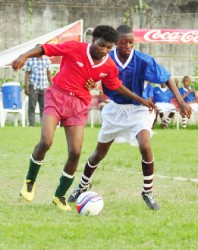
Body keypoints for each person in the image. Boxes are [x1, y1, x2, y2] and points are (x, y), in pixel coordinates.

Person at [12, 25, 155, 212]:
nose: (103, 51)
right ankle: (30, 181)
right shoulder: (75, 48)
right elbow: (44, 48)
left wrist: (140, 99)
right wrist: (23, 56)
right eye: (101, 45)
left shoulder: (108, 66)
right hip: (57, 96)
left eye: (108, 48)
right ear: (92, 40)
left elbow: (116, 85)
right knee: (46, 141)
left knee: (76, 152)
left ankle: (60, 196)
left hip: (79, 104)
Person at [68, 25, 191, 210]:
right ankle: (83, 184)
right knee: (99, 153)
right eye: (124, 42)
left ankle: (147, 192)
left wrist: (181, 101)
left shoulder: (142, 60)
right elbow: (92, 74)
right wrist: (90, 82)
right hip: (115, 109)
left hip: (139, 109)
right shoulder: (106, 58)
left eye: (131, 42)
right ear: (116, 43)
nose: (128, 45)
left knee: (145, 144)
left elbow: (167, 77)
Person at [25, 45, 52, 126]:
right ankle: (31, 125)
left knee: (43, 108)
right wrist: (26, 87)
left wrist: (52, 85)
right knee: (31, 107)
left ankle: (43, 125)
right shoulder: (30, 61)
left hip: (44, 87)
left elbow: (49, 73)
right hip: (34, 86)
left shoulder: (47, 60)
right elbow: (27, 74)